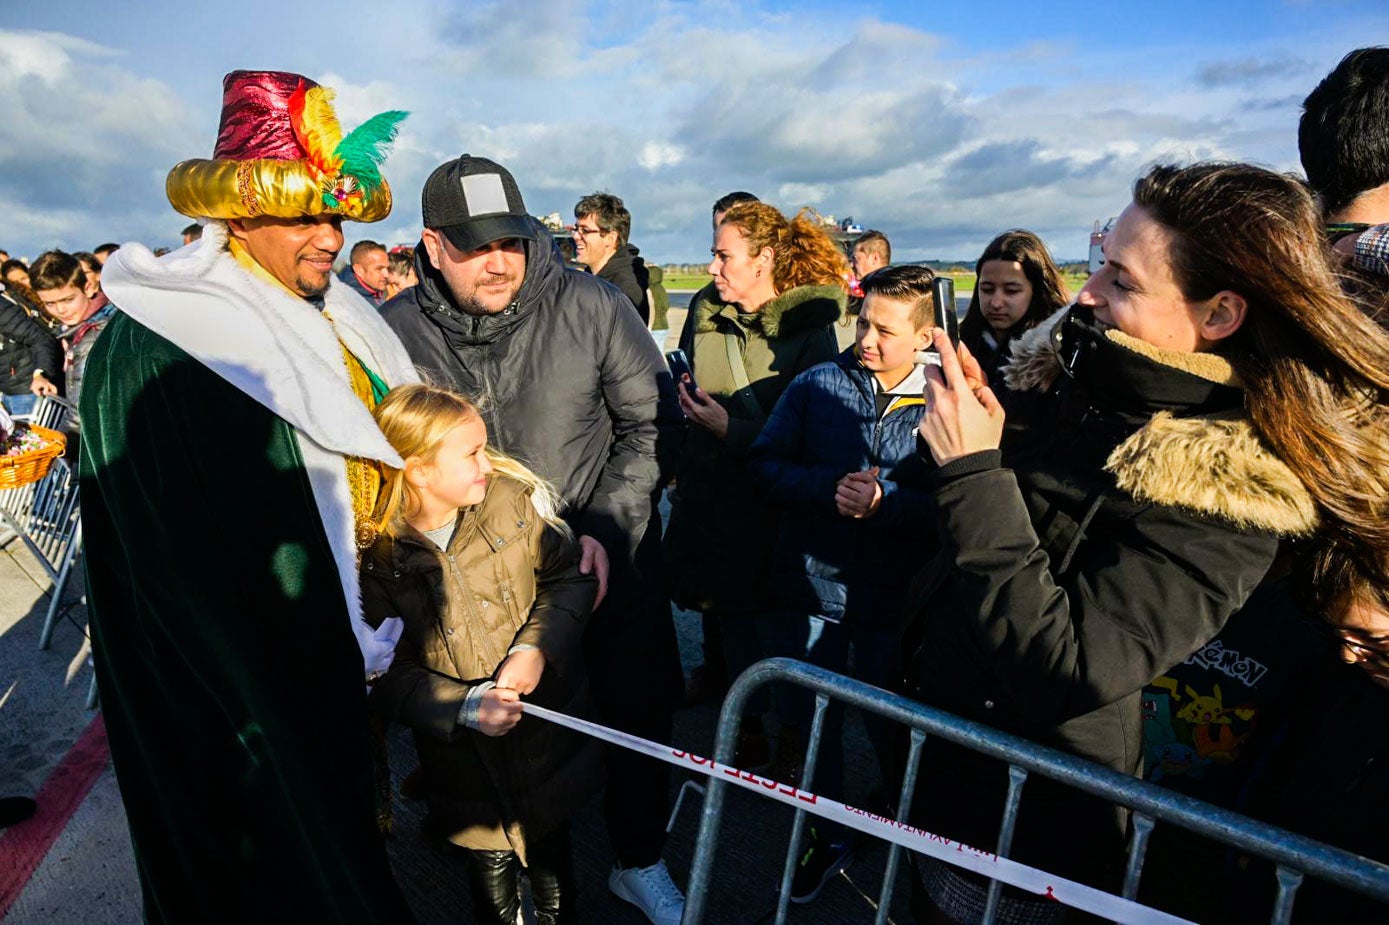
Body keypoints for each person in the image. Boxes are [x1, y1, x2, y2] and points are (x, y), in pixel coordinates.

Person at [899, 161, 1389, 924]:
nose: (1087, 294)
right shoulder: (1082, 379)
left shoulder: (1235, 488)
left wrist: (972, 470)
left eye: (1121, 281)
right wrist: (991, 424)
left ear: (1219, 313)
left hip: (1030, 815)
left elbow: (1067, 665)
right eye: (1098, 265)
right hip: (949, 750)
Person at [79, 69, 416, 922]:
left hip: (347, 661)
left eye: (335, 214)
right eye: (304, 215)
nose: (330, 238)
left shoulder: (340, 311)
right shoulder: (158, 344)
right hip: (253, 694)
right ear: (237, 213)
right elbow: (174, 577)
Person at [381, 153, 687, 925]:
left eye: (512, 241)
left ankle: (639, 856)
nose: (500, 261)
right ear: (431, 244)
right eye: (477, 244)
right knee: (492, 727)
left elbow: (653, 425)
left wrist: (606, 530)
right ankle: (491, 847)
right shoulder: (391, 332)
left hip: (600, 556)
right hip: (471, 585)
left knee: (634, 708)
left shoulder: (591, 305)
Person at [363, 383, 602, 925]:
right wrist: (464, 706)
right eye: (471, 453)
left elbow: (568, 580)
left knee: (553, 861)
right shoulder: (377, 559)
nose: (487, 465)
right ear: (419, 471)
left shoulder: (508, 504)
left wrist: (534, 649)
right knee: (489, 875)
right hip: (461, 763)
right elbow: (384, 672)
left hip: (544, 741)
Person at [747, 263, 936, 902]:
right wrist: (827, 492)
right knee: (815, 724)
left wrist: (891, 505)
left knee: (895, 726)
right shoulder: (814, 384)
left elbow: (962, 506)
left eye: (886, 329)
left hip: (896, 602)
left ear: (926, 335)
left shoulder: (948, 405)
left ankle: (910, 830)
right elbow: (765, 465)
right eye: (863, 323)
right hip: (811, 590)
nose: (868, 339)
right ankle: (825, 831)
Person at [664, 200, 847, 772]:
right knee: (730, 620)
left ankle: (794, 739)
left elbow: (816, 434)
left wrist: (730, 428)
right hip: (709, 496)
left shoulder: (810, 330)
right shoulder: (702, 307)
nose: (712, 267)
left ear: (765, 258)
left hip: (770, 505)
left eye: (724, 255)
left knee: (786, 629)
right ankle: (743, 731)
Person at [957, 230, 1071, 385]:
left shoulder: (1059, 354)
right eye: (987, 289)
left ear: (1037, 292)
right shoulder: (958, 344)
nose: (996, 303)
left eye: (1011, 291)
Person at [30, 250, 115, 422]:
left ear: (88, 288)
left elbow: (79, 415)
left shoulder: (92, 336)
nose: (61, 310)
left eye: (68, 300)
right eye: (50, 303)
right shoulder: (74, 329)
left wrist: (61, 443)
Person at [573, 191, 651, 324]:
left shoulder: (624, 290)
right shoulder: (590, 279)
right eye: (576, 229)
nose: (575, 236)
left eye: (585, 231)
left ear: (610, 237)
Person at [0, 287, 62, 415]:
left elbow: (39, 338)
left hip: (27, 391)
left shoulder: (2, 308)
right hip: (7, 391)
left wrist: (40, 373)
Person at [341, 239, 390, 306]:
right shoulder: (346, 302)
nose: (386, 274)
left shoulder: (375, 291)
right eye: (379, 269)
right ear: (359, 270)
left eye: (387, 268)